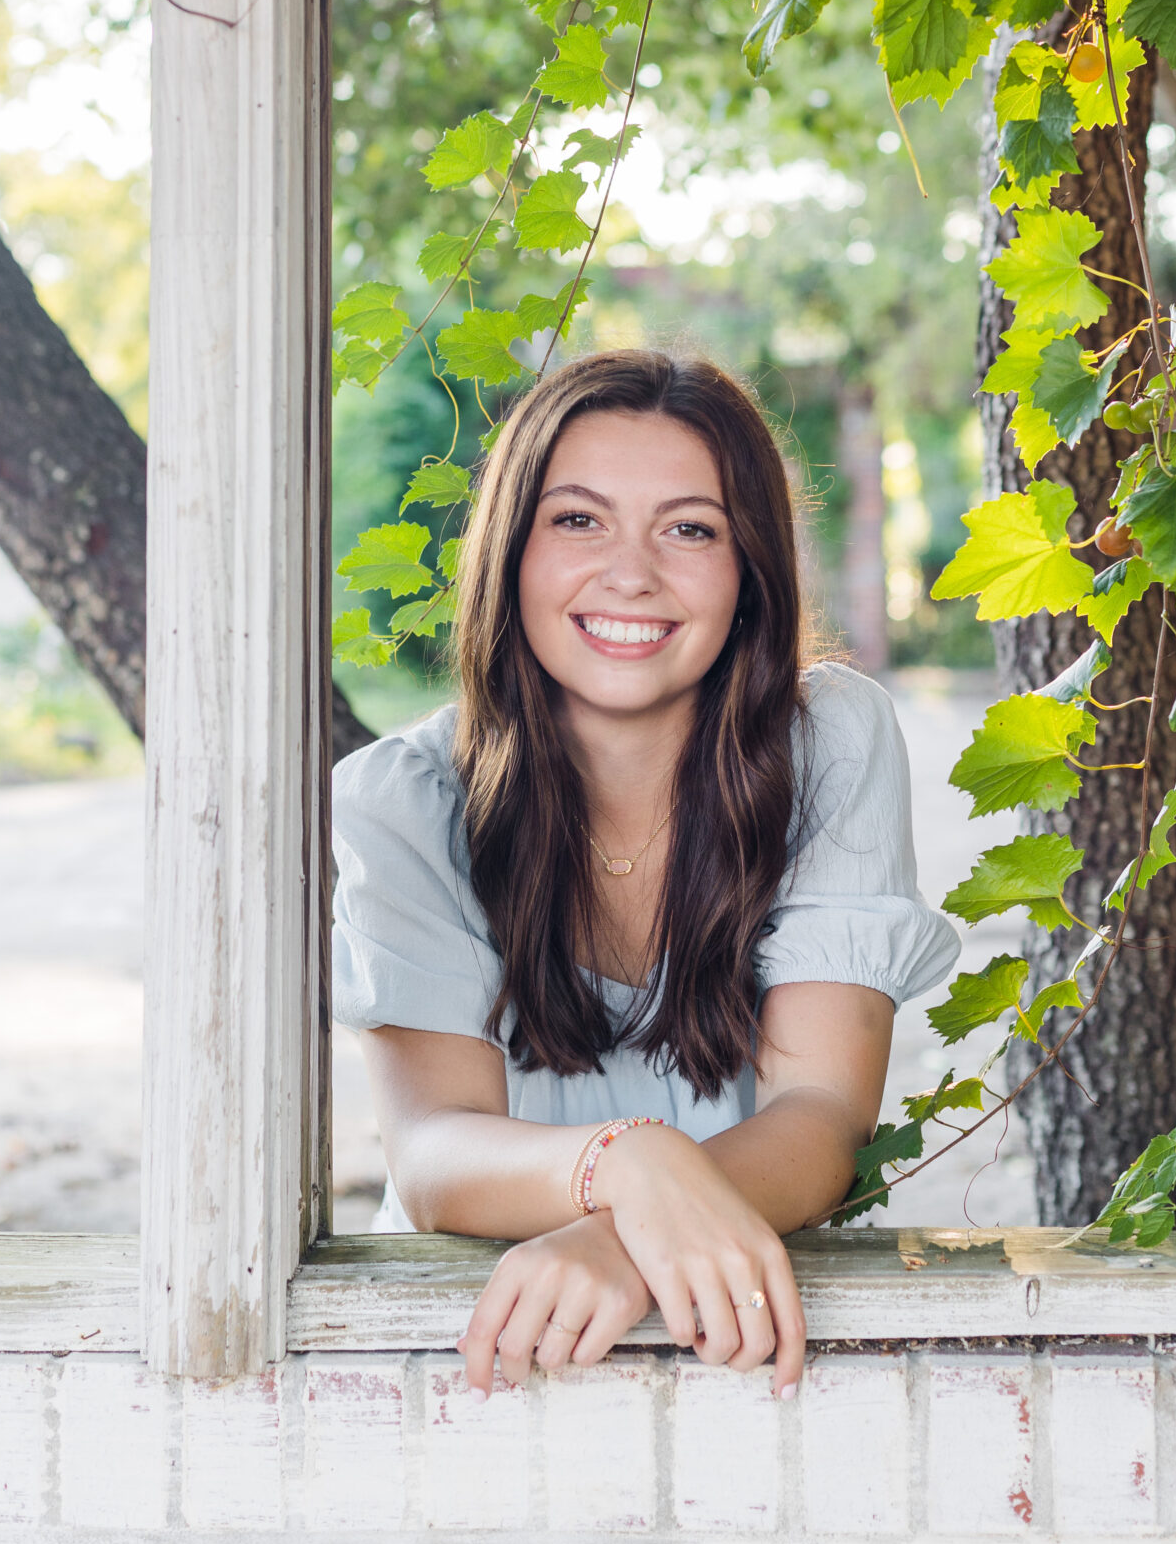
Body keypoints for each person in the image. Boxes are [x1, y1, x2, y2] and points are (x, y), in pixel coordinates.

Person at [332, 349, 958, 1398]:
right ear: (511, 554)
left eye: (690, 528)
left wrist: (632, 1236)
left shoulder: (833, 744)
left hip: (738, 1317)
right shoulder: (404, 802)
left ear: (750, 567)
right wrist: (625, 1163)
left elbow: (822, 1113)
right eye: (578, 519)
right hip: (483, 1330)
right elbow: (433, 1155)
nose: (632, 573)